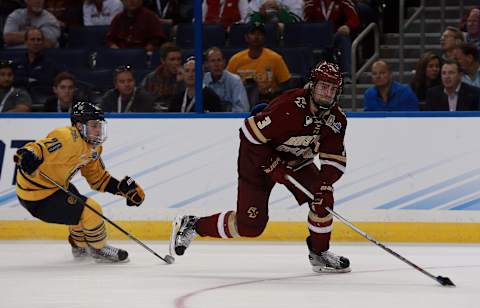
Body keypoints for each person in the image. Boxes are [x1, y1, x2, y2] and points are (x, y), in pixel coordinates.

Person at [171, 61, 351, 273]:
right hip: (256, 161)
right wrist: (271, 164)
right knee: (250, 227)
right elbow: (248, 134)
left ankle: (319, 253)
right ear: (312, 85)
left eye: (332, 89)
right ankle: (194, 224)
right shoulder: (289, 107)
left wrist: (324, 184)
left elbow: (334, 160)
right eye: (323, 86)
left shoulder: (336, 120)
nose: (327, 93)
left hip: (295, 162)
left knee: (323, 198)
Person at [13, 102, 145, 262]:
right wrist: (28, 154)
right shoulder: (66, 137)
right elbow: (39, 147)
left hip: (56, 186)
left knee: (78, 208)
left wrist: (122, 189)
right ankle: (98, 249)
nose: (98, 130)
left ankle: (80, 247)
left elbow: (97, 178)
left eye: (100, 126)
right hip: (36, 196)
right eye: (94, 125)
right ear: (78, 126)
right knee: (91, 210)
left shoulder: (94, 148)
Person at [227, 21, 292, 103]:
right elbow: (227, 83)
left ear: (264, 38)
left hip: (268, 101)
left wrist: (271, 90)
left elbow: (287, 84)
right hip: (241, 101)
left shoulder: (275, 58)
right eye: (253, 33)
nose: (256, 37)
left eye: (260, 34)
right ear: (246, 37)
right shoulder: (235, 59)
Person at [304, 0, 360, 81]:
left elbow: (354, 19)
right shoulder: (311, 3)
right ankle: (309, 76)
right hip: (317, 39)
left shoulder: (344, 2)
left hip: (336, 36)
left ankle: (346, 74)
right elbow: (305, 24)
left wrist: (347, 26)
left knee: (343, 37)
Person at [203, 47, 250, 112]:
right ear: (206, 64)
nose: (216, 64)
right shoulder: (202, 80)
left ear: (224, 63)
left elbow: (243, 109)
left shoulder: (235, 80)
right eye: (212, 61)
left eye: (219, 60)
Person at [141, 42, 183, 112]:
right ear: (163, 61)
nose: (176, 63)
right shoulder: (150, 79)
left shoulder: (184, 78)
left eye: (178, 59)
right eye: (172, 59)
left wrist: (181, 81)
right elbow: (141, 99)